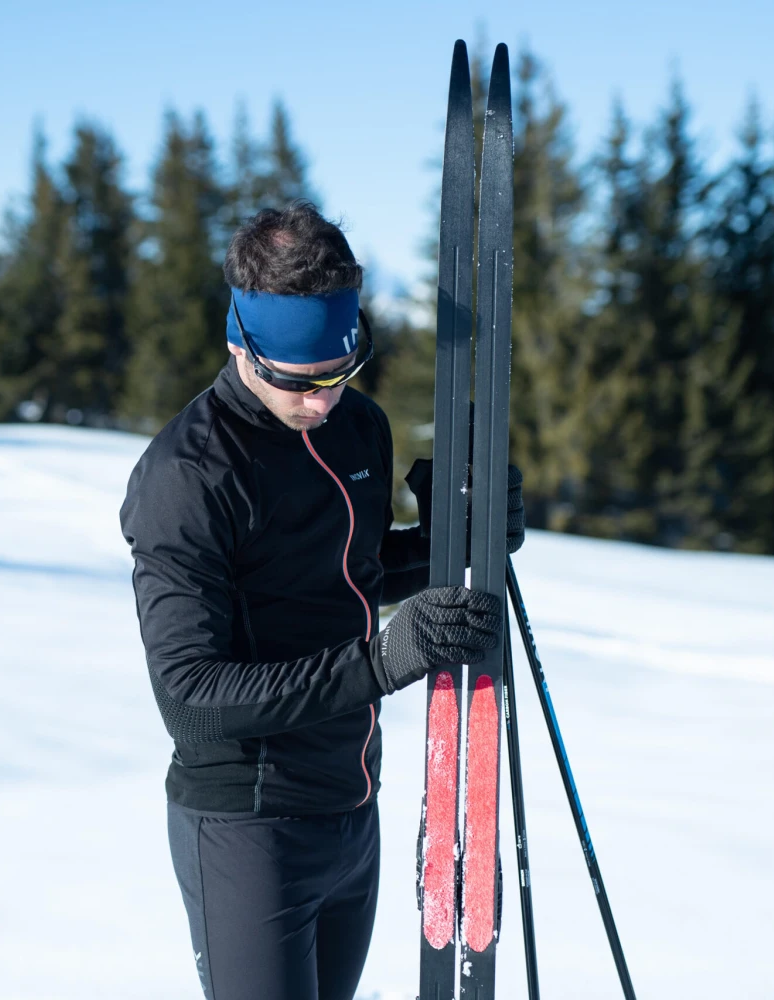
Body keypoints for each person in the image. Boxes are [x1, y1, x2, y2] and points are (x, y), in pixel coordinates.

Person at [119, 202, 524, 1000]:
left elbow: (351, 575)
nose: (324, 400)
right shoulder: (187, 478)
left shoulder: (357, 427)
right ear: (241, 343)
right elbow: (192, 701)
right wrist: (385, 660)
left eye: (341, 372)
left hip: (353, 808)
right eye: (299, 382)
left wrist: (457, 540)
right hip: (249, 827)